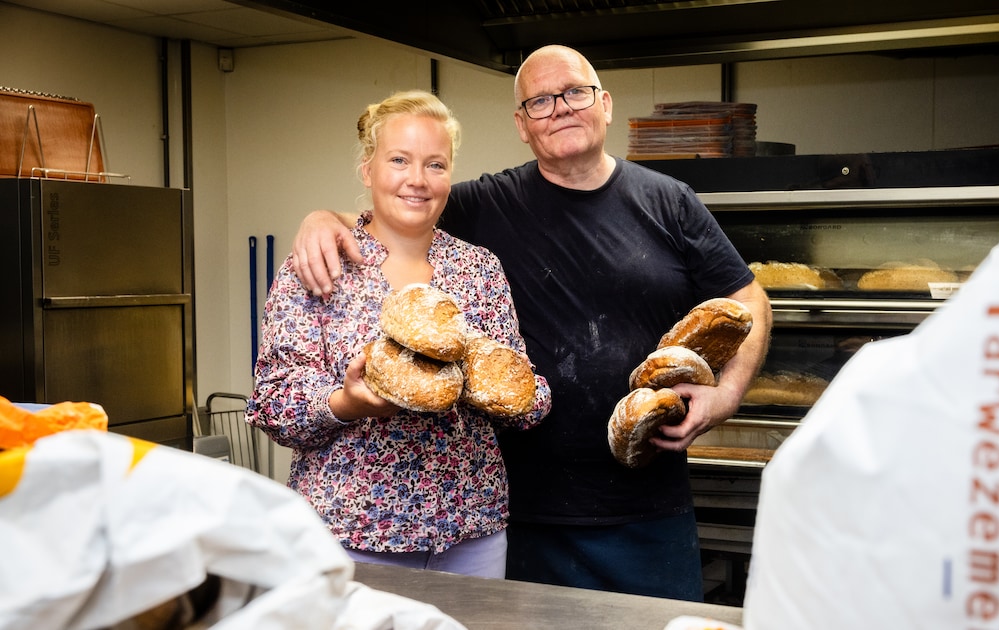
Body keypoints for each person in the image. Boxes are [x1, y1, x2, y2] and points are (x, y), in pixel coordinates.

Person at [291, 45, 772, 601]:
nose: (560, 108)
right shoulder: (487, 204)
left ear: (606, 104)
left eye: (574, 92)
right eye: (539, 101)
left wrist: (728, 393)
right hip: (523, 514)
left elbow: (748, 299)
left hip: (647, 503)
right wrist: (321, 217)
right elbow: (404, 205)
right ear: (522, 125)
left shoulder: (670, 203)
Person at [247, 90, 551, 579]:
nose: (417, 179)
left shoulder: (478, 269)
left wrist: (507, 393)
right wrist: (345, 404)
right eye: (399, 160)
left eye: (435, 164)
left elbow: (525, 396)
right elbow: (271, 404)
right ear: (368, 171)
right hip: (347, 537)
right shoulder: (322, 263)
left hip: (471, 535)